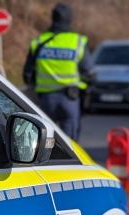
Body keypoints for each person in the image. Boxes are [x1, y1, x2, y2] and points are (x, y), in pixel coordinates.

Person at [23, 3, 93, 140]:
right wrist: (82, 89)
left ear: (53, 18)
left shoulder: (39, 42)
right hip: (70, 99)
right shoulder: (78, 42)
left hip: (46, 101)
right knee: (71, 145)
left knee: (45, 141)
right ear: (70, 19)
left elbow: (27, 75)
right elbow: (89, 73)